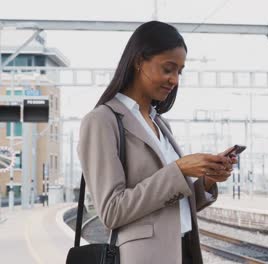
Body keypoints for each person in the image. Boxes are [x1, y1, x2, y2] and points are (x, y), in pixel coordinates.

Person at [77, 21, 237, 264]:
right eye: (168, 69)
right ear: (139, 61)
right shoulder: (102, 120)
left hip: (183, 251)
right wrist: (180, 169)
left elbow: (171, 203)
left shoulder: (159, 123)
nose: (174, 80)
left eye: (179, 72)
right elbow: (112, 210)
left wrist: (207, 181)